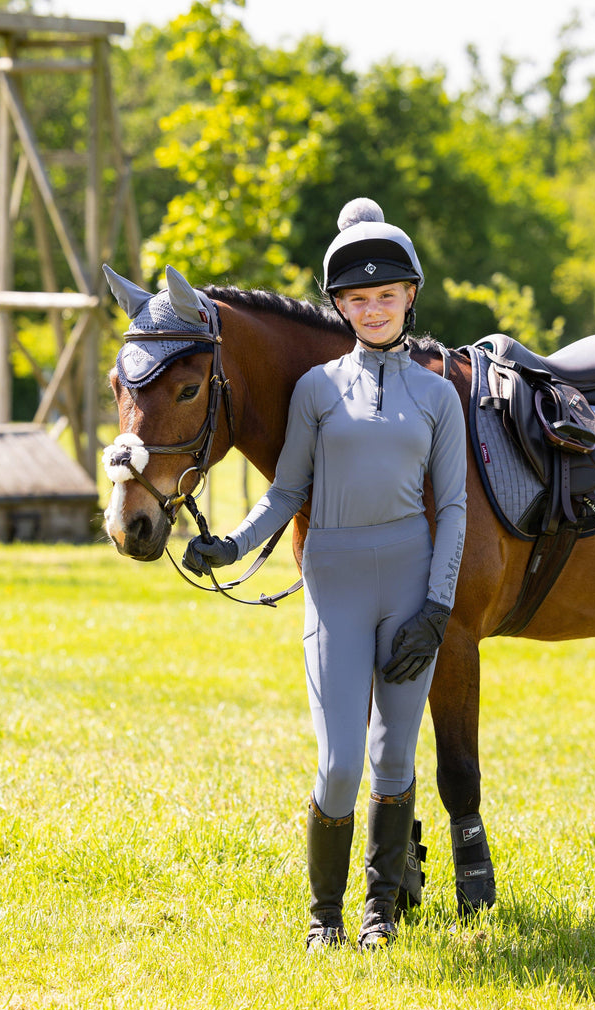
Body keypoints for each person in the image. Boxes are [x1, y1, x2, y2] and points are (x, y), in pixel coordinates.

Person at [183, 198, 467, 951]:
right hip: (336, 583)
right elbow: (285, 493)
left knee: (394, 756)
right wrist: (233, 546)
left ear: (409, 298)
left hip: (410, 582)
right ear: (338, 306)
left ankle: (380, 914)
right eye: (356, 299)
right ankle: (324, 918)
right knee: (341, 762)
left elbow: (457, 509)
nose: (371, 309)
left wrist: (437, 608)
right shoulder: (316, 390)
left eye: (385, 296)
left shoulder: (439, 397)